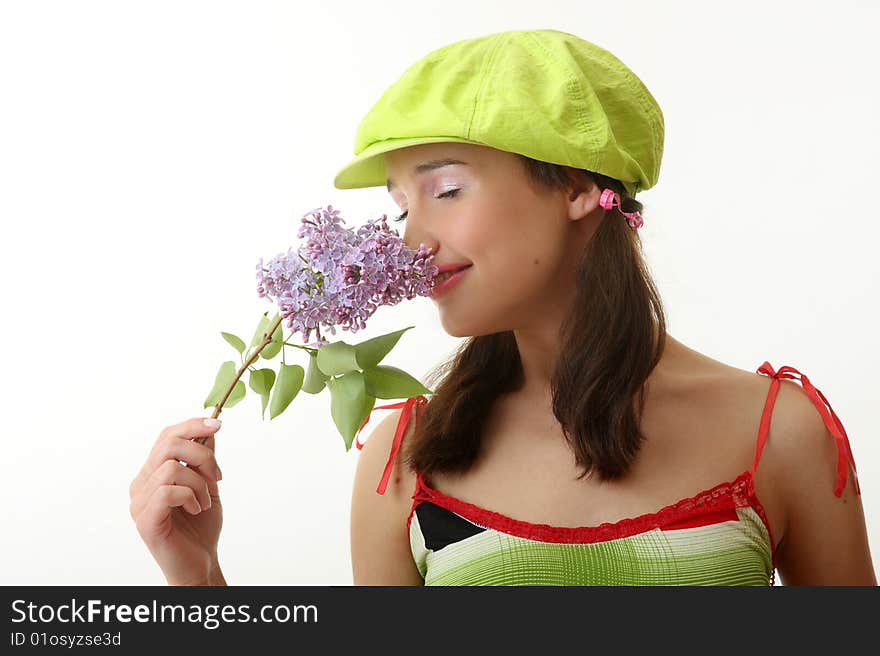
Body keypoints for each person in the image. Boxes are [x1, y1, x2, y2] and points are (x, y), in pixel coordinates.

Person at [129, 29, 876, 586]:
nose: (412, 240)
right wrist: (196, 575)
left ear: (580, 188)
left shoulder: (778, 433)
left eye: (445, 188)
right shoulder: (405, 459)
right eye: (399, 207)